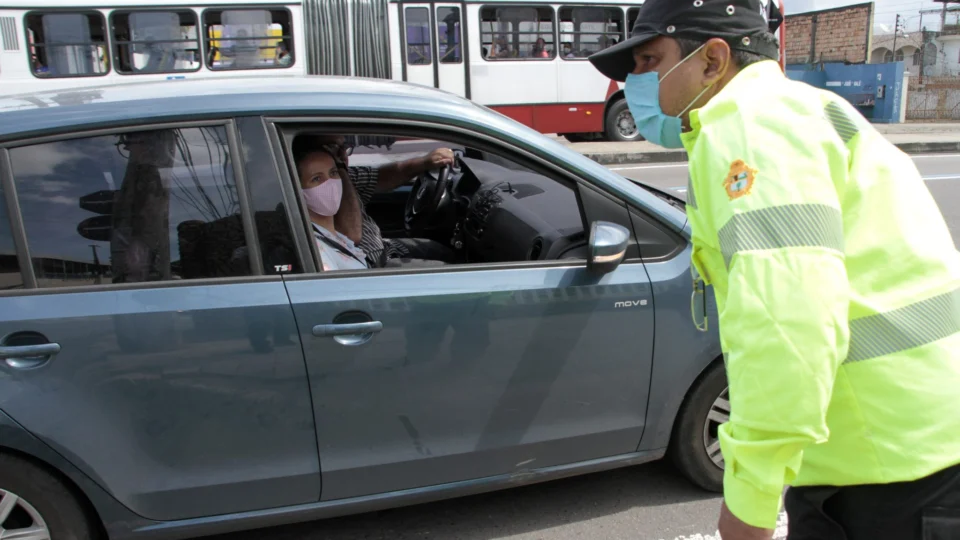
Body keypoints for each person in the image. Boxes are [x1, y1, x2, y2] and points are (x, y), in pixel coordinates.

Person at [588, 1, 960, 539]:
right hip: (913, 441)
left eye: (649, 61)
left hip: (888, 472)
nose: (637, 81)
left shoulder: (745, 128)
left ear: (712, 60)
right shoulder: (799, 108)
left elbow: (788, 325)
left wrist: (751, 502)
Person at [296, 135, 458, 268]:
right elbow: (352, 235)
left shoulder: (343, 175)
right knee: (450, 271)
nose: (342, 155)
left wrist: (424, 162)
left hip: (382, 247)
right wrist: (339, 167)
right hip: (371, 262)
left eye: (343, 149)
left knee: (444, 252)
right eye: (332, 149)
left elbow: (385, 175)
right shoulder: (319, 235)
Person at [292, 137, 368, 271]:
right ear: (299, 190)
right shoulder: (317, 251)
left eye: (333, 173)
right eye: (316, 178)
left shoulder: (333, 236)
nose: (330, 183)